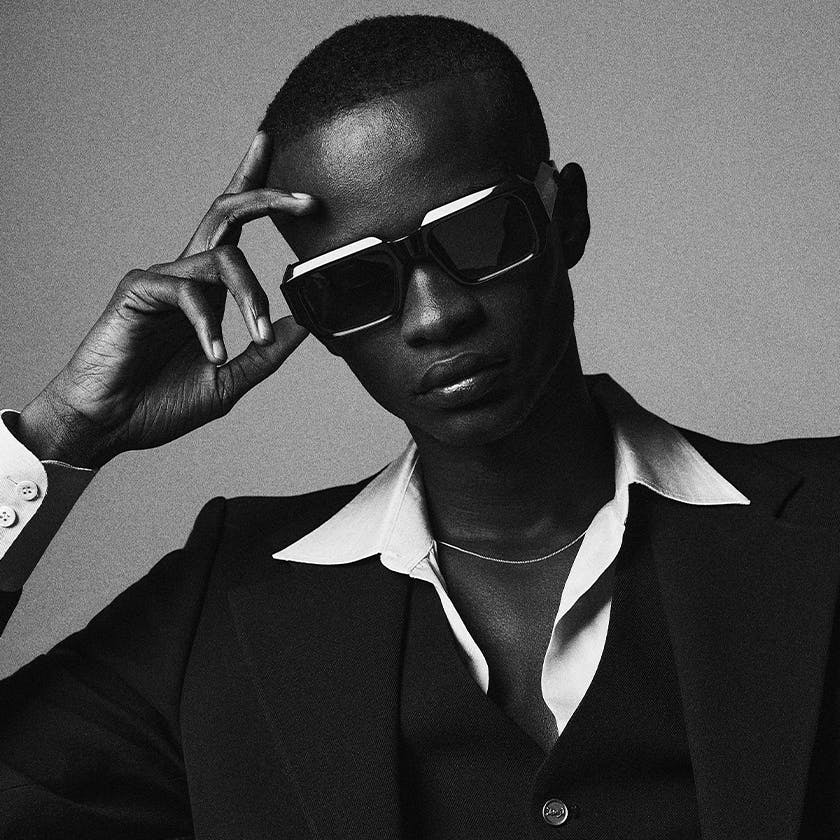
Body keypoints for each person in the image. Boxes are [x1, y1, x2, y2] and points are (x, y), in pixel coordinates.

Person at [0, 14, 837, 840]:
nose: (435, 317)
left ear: (567, 217)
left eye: (477, 233)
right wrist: (62, 434)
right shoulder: (220, 608)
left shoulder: (825, 521)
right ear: (315, 318)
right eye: (354, 282)